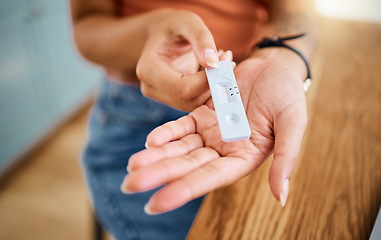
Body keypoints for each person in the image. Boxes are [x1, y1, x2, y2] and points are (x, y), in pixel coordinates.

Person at [70, 0, 316, 239]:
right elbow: (86, 24)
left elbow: (296, 7)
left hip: (251, 96)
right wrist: (152, 30)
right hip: (137, 114)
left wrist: (283, 56)